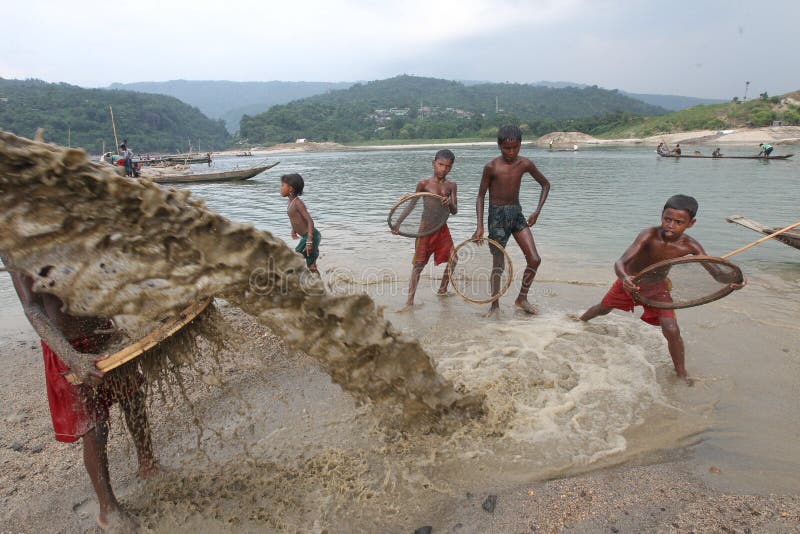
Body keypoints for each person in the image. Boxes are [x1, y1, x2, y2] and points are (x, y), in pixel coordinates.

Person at [3, 254, 157, 531]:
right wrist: (71, 357)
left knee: (133, 397)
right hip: (69, 346)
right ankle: (107, 508)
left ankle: (148, 463)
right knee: (94, 427)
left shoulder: (71, 216)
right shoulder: (14, 235)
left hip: (103, 330)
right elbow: (32, 309)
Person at [578, 195, 745, 381]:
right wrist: (625, 277)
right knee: (603, 308)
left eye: (679, 222)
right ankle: (579, 322)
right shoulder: (648, 235)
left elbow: (718, 275)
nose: (671, 225)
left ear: (691, 223)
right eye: (668, 219)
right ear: (662, 216)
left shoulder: (690, 246)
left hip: (657, 288)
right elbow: (621, 262)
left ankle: (681, 374)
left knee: (672, 329)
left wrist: (735, 279)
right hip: (630, 282)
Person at [473, 125, 551, 315]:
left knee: (534, 259)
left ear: (520, 145)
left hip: (516, 214)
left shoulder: (525, 164)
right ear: (499, 146)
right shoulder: (491, 167)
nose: (511, 152)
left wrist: (537, 211)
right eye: (507, 148)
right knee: (498, 265)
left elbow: (545, 184)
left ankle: (521, 298)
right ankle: (494, 305)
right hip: (497, 217)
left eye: (515, 147)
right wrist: (480, 225)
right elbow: (481, 196)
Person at [393, 149, 458, 309]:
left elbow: (455, 210)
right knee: (419, 265)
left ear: (451, 168)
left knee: (454, 259)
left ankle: (442, 289)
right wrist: (397, 223)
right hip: (425, 228)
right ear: (433, 163)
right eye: (440, 164)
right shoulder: (424, 184)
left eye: (447, 166)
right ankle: (409, 301)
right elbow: (411, 204)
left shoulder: (451, 185)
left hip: (442, 227)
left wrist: (449, 202)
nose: (443, 169)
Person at [281, 173, 321, 274]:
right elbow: (295, 218)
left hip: (311, 236)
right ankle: (318, 287)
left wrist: (309, 241)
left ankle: (296, 284)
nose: (280, 188)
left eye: (282, 185)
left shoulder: (298, 203)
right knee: (311, 267)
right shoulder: (290, 202)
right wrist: (294, 229)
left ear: (290, 189)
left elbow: (310, 221)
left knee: (294, 258)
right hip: (308, 237)